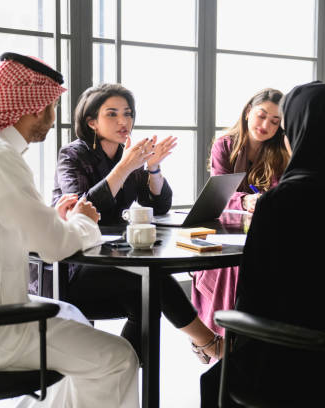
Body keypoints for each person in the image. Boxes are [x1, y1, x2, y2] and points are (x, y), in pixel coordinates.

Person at [0, 53, 139, 407]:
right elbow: (55, 248)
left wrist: (50, 217)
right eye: (51, 106)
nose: (52, 118)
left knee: (72, 316)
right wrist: (84, 221)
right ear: (33, 106)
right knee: (118, 358)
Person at [200, 82, 325, 407]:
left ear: (299, 133)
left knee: (215, 379)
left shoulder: (280, 203)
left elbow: (254, 300)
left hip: (293, 365)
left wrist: (220, 336)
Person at [51, 83, 222, 362]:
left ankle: (120, 374)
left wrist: (152, 167)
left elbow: (158, 205)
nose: (123, 121)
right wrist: (126, 166)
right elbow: (81, 206)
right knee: (152, 283)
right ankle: (209, 342)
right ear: (91, 121)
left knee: (147, 298)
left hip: (111, 258)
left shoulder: (124, 155)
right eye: (112, 114)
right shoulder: (72, 155)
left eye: (128, 113)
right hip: (72, 267)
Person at [191, 88, 289, 335]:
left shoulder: (280, 152)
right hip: (225, 226)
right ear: (248, 112)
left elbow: (280, 192)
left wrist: (266, 201)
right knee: (233, 263)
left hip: (262, 227)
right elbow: (219, 192)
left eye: (275, 121)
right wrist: (246, 201)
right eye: (261, 115)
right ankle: (221, 334)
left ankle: (254, 333)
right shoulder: (225, 145)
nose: (266, 124)